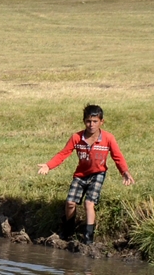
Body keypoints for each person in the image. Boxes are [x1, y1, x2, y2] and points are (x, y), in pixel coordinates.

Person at [37, 104, 135, 244]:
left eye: (95, 121)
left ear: (102, 122)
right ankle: (68, 231)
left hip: (98, 174)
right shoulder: (77, 137)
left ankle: (88, 238)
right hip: (80, 175)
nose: (91, 125)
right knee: (70, 203)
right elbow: (63, 154)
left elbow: (117, 156)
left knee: (89, 203)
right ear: (84, 121)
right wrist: (48, 165)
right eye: (88, 121)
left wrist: (124, 172)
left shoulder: (108, 138)